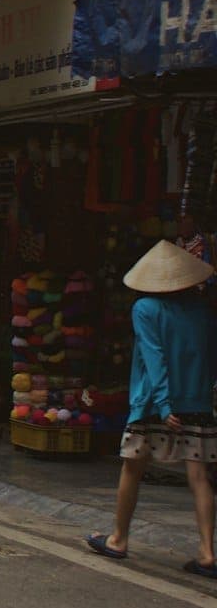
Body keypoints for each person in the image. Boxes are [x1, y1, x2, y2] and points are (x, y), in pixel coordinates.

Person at [87, 240, 217, 575]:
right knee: (200, 476)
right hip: (198, 401)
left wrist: (162, 403)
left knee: (132, 466)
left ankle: (118, 539)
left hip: (154, 402)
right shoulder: (203, 311)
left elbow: (153, 356)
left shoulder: (145, 309)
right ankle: (207, 553)